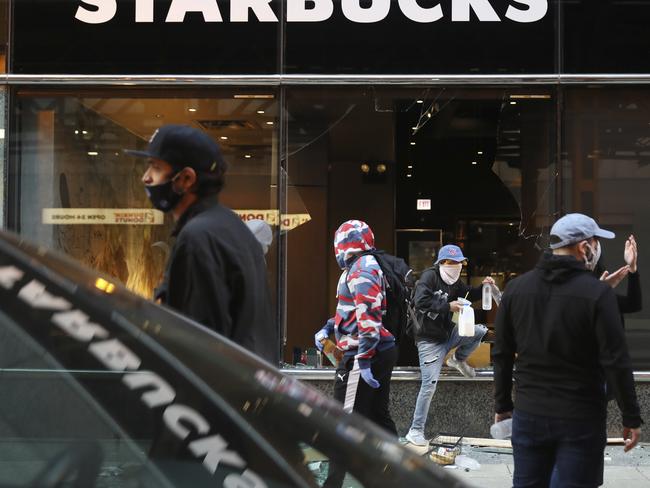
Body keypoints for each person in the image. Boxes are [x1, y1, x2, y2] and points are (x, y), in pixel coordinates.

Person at [492, 213, 643, 488]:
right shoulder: (597, 294)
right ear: (584, 248)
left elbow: (501, 353)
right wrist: (630, 415)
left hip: (529, 413)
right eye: (596, 242)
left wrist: (502, 405)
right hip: (580, 417)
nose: (598, 250)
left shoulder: (516, 289)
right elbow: (616, 361)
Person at [125, 124, 278, 364]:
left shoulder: (198, 237)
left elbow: (201, 342)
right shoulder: (230, 226)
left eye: (156, 167)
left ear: (186, 178)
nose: (146, 177)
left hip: (221, 391)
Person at [314, 220, 398, 487]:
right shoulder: (364, 266)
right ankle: (398, 474)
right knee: (377, 416)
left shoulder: (362, 268)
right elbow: (353, 311)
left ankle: (334, 483)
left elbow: (369, 316)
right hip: (379, 350)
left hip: (365, 354)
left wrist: (362, 358)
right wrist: (329, 328)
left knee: (344, 422)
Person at [404, 244, 493, 446]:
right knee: (429, 385)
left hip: (447, 333)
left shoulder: (455, 281)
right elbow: (420, 301)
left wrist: (484, 287)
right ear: (442, 263)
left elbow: (469, 293)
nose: (456, 266)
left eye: (459, 263)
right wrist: (448, 306)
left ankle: (457, 360)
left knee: (479, 331)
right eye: (451, 262)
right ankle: (415, 430)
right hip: (428, 340)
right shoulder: (429, 277)